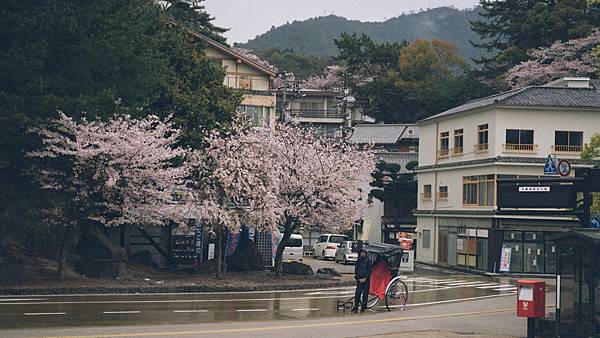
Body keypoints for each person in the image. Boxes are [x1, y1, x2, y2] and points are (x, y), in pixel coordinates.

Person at [352, 248, 371, 313]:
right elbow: (356, 271)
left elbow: (369, 271)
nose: (362, 254)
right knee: (358, 293)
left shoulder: (368, 262)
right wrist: (359, 278)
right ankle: (356, 305)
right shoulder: (358, 261)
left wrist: (365, 278)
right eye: (361, 253)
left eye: (364, 253)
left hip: (366, 280)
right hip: (359, 279)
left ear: (366, 254)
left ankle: (363, 307)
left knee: (365, 294)